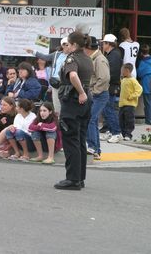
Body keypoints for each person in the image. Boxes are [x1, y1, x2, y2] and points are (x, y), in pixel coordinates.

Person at [54, 31, 93, 191]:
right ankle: (80, 177)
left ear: (74, 45)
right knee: (80, 139)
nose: (66, 47)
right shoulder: (88, 58)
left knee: (70, 139)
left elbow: (73, 75)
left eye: (68, 44)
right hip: (85, 102)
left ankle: (72, 179)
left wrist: (81, 92)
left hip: (73, 100)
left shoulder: (73, 58)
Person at [25, 37, 69, 113]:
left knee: (65, 103)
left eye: (68, 44)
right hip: (55, 81)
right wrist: (34, 52)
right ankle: (58, 121)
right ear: (62, 45)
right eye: (65, 44)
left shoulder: (73, 55)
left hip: (66, 82)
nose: (66, 46)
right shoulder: (56, 54)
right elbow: (45, 57)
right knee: (56, 104)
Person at [85, 36, 110, 160]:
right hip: (96, 93)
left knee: (91, 119)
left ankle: (93, 147)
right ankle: (96, 150)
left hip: (99, 94)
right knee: (92, 120)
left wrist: (94, 92)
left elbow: (104, 78)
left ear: (87, 48)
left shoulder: (99, 59)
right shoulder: (94, 58)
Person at [101, 33, 123, 143]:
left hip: (110, 86)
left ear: (108, 44)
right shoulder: (112, 54)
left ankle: (116, 132)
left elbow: (112, 73)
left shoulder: (114, 55)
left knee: (109, 110)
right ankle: (110, 131)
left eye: (104, 43)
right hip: (109, 85)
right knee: (106, 110)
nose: (102, 45)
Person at [119, 63, 143, 140]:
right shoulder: (123, 79)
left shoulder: (133, 80)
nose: (122, 72)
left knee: (129, 120)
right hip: (122, 104)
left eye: (123, 70)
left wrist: (131, 96)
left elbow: (139, 89)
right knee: (121, 119)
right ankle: (123, 134)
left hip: (130, 104)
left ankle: (128, 134)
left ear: (127, 70)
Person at [137, 44, 151, 125]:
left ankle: (149, 121)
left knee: (147, 103)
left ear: (141, 53)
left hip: (146, 84)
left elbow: (139, 73)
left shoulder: (142, 62)